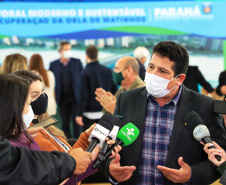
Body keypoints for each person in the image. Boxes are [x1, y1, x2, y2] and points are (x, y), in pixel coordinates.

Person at [99, 41, 226, 185]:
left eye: (162, 71)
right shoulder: (125, 99)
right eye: (151, 67)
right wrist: (111, 169)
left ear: (179, 79)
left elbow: (219, 158)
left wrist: (192, 174)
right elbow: (107, 147)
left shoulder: (205, 106)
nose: (153, 74)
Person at [0, 74, 92, 184]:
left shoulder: (28, 133)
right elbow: (61, 172)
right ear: (12, 108)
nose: (30, 109)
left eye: (42, 92)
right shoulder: (29, 138)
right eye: (30, 102)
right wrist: (92, 155)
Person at [76, 46, 117, 130]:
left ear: (87, 56)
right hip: (106, 111)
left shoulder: (84, 72)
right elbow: (114, 90)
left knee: (89, 141)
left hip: (89, 114)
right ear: (97, 55)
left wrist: (79, 114)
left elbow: (83, 96)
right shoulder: (108, 70)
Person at [49, 41, 83, 138]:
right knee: (64, 123)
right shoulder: (53, 65)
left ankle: (77, 142)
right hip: (62, 99)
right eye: (66, 49)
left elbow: (82, 80)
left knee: (76, 123)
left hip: (75, 98)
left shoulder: (77, 62)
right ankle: (67, 144)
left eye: (69, 49)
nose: (69, 51)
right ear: (60, 50)